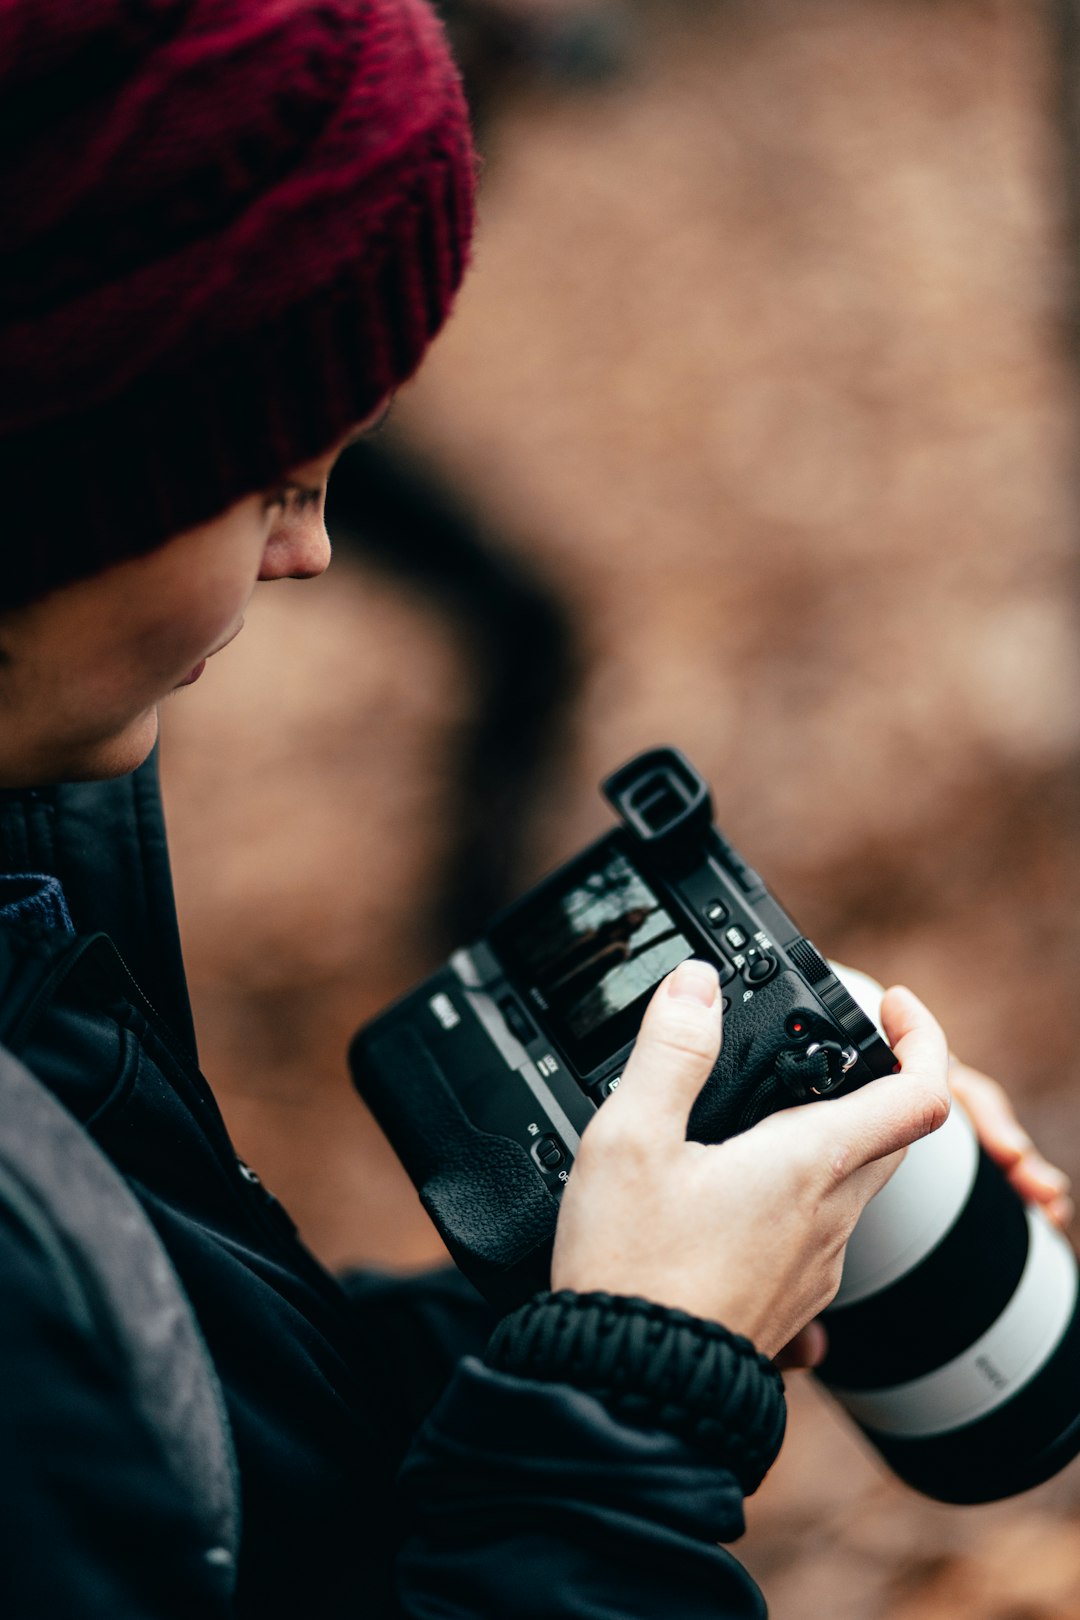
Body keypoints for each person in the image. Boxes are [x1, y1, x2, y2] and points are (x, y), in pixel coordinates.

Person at [0, 2, 1070, 1616]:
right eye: (277, 479)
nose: (313, 555)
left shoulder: (31, 852)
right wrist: (629, 1405)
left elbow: (181, 1442)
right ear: (69, 472)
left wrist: (614, 1309)